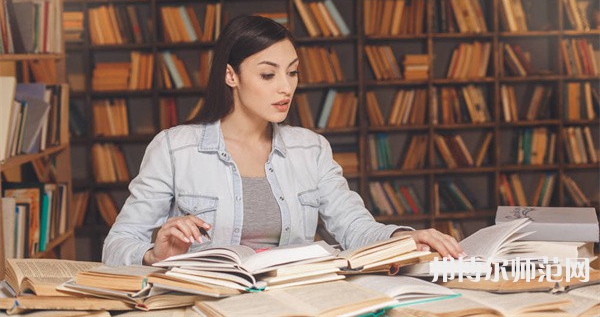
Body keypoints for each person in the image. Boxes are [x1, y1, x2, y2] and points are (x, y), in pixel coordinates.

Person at [102, 15, 465, 267]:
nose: (285, 87)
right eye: (267, 74)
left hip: (293, 304)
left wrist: (406, 238)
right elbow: (117, 245)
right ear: (231, 75)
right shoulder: (174, 148)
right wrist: (154, 254)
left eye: (292, 72)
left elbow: (356, 228)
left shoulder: (311, 149)